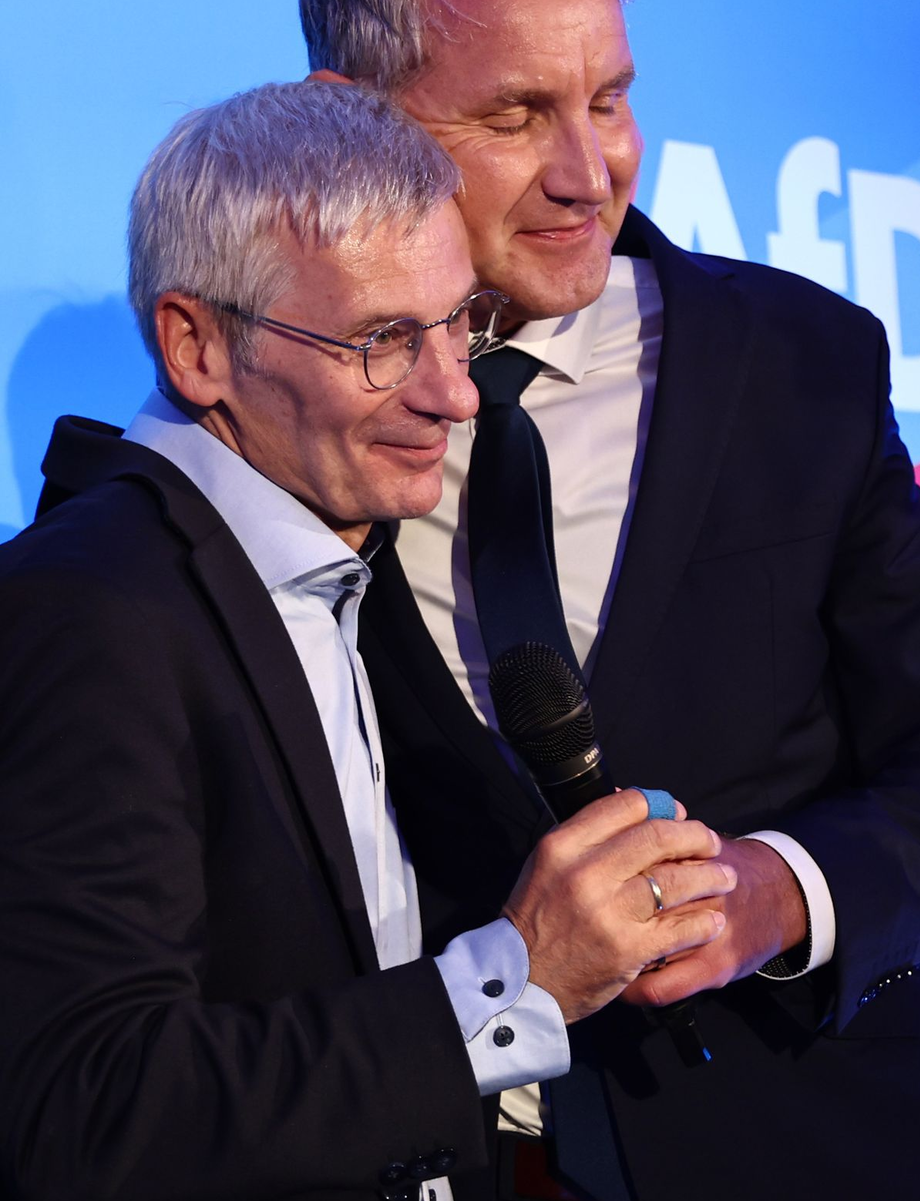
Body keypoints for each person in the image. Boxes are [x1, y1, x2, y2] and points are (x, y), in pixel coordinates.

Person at [298, 2, 920, 1199]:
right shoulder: (279, 406)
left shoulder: (802, 360)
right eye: (514, 114)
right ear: (349, 115)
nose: (588, 172)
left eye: (609, 100)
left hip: (838, 1142)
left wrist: (777, 892)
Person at [0, 80, 739, 1201]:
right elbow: (90, 1108)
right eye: (386, 340)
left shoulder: (322, 564)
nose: (456, 392)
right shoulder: (90, 609)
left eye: (461, 322)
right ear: (196, 346)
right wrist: (515, 976)